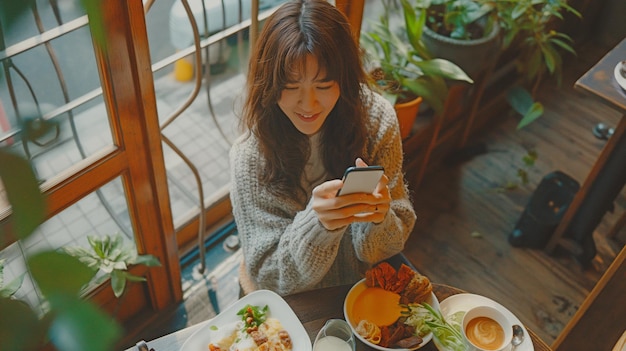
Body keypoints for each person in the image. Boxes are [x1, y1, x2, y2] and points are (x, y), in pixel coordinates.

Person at [230, 0, 416, 296]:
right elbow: (267, 276)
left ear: (344, 78)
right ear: (269, 84)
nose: (308, 104)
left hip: (363, 289)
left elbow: (391, 244)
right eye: (291, 86)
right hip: (295, 302)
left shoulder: (377, 121)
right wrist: (318, 225)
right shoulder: (251, 157)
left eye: (324, 84)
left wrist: (379, 217)